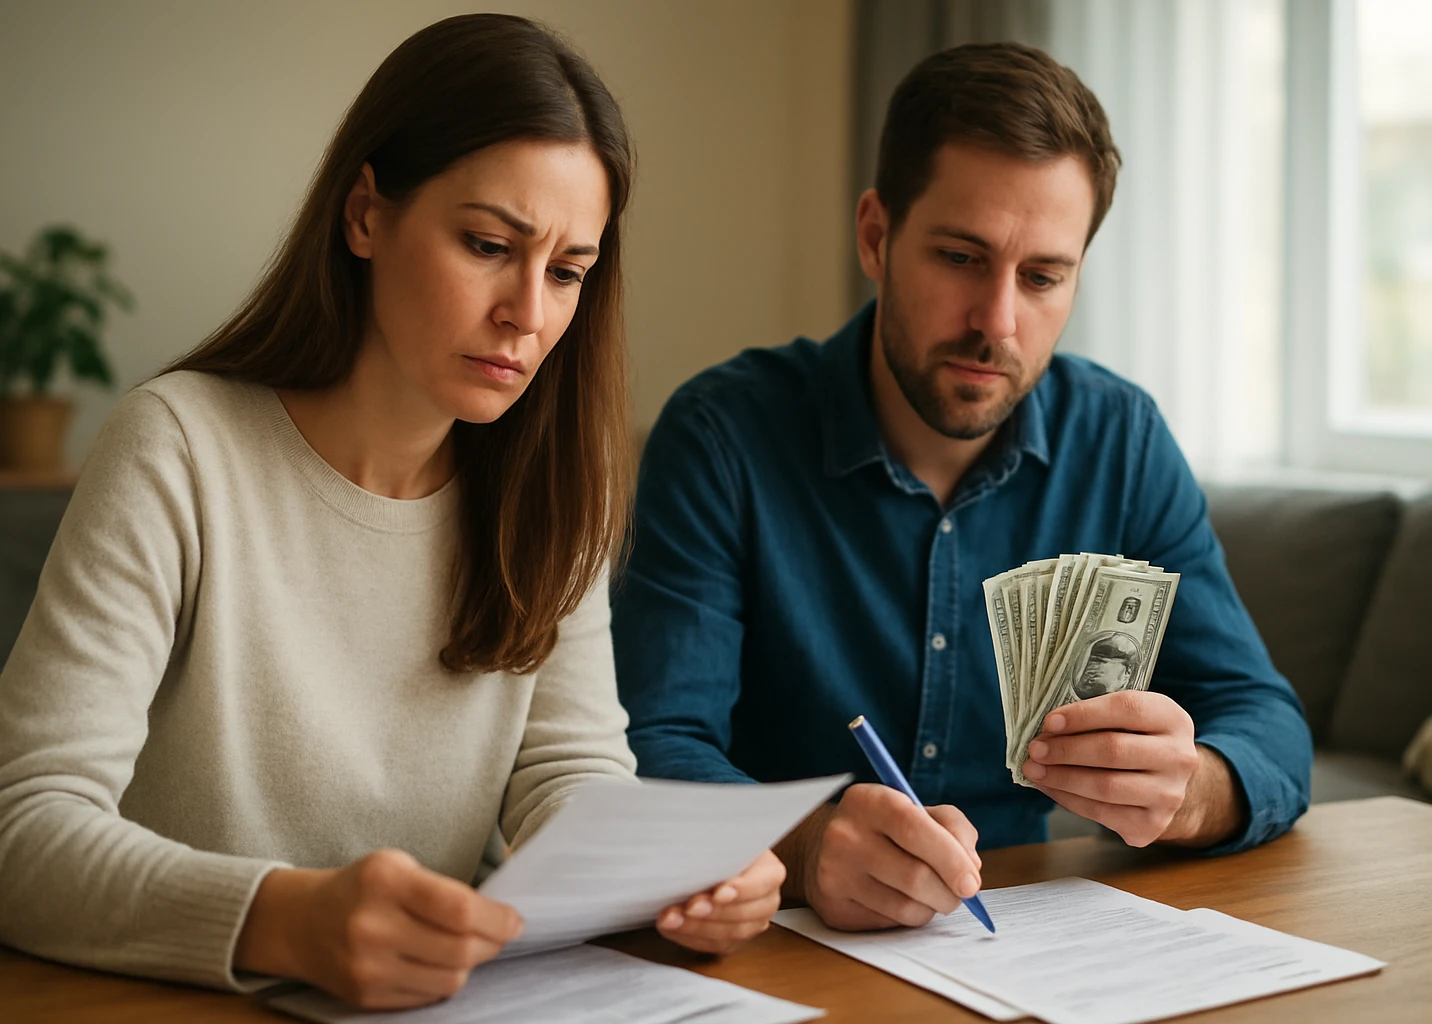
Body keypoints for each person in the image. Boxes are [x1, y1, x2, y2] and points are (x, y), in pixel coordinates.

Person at [0, 15, 782, 1009]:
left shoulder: (555, 485)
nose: (529, 313)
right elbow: (21, 826)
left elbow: (569, 774)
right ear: (365, 215)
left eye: (568, 271)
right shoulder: (177, 446)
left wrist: (669, 873)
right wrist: (283, 917)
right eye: (488, 244)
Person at [612, 42, 1311, 934]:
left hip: (1034, 942)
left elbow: (1267, 720)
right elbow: (653, 747)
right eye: (960, 257)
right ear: (875, 235)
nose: (998, 322)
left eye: (1044, 277)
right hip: (788, 949)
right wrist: (806, 848)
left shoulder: (1122, 441)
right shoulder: (722, 437)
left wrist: (1193, 791)